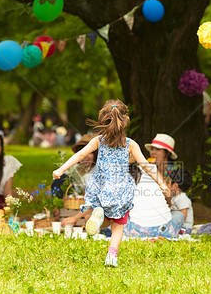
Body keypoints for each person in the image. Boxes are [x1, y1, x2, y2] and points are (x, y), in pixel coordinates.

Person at [53, 99, 169, 267]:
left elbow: (78, 156)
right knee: (117, 226)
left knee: (102, 219)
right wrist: (161, 184)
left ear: (103, 121)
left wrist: (61, 169)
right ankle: (111, 256)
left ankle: (98, 214)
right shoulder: (130, 144)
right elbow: (146, 166)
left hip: (101, 186)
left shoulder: (98, 141)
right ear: (125, 122)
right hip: (120, 188)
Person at [52, 133, 98, 200]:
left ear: (95, 155)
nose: (85, 157)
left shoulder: (97, 170)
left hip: (90, 202)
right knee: (61, 179)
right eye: (82, 153)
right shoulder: (73, 168)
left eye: (90, 153)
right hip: (73, 200)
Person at [168, 167, 194, 235]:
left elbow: (183, 216)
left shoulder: (182, 198)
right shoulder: (175, 198)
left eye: (169, 183)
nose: (167, 185)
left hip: (184, 228)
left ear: (175, 185)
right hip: (178, 226)